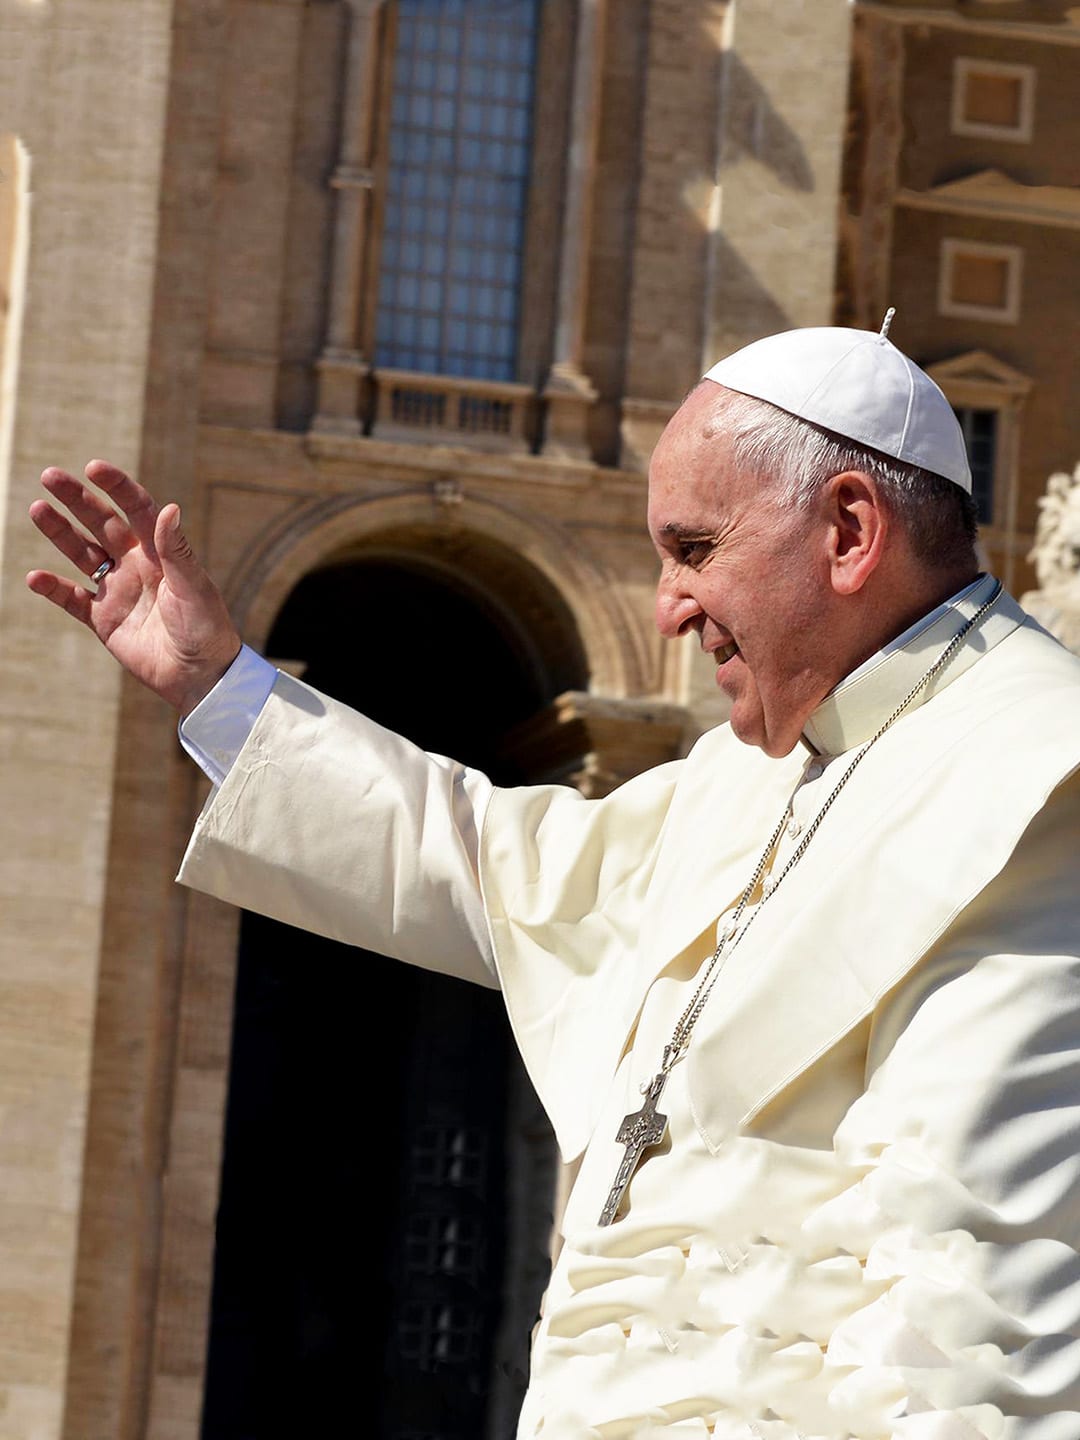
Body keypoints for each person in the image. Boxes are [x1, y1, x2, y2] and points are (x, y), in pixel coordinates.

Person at [28, 325, 1080, 1438]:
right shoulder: (749, 775)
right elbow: (491, 868)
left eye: (694, 547)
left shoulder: (1037, 774)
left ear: (850, 531)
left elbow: (978, 1312)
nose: (669, 605)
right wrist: (218, 689)